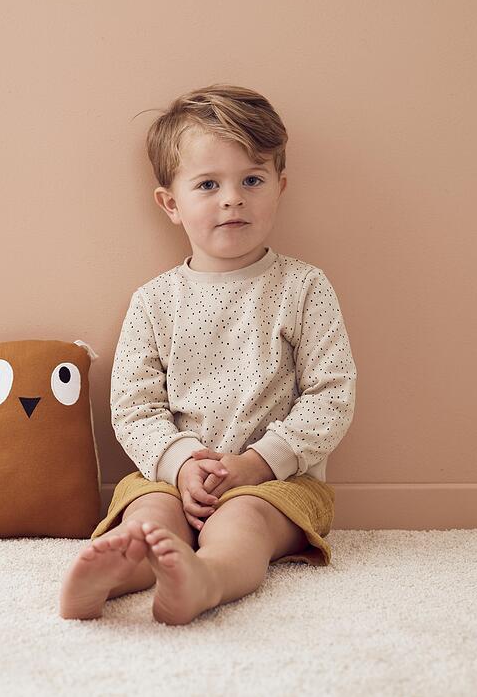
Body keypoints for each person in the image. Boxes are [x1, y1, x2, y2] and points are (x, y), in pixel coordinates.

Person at [59, 84, 357, 625]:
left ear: (279, 187)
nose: (232, 198)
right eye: (208, 184)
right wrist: (181, 466)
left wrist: (258, 464)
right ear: (171, 204)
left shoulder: (303, 288)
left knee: (243, 524)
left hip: (278, 483)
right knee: (147, 514)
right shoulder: (154, 302)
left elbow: (330, 395)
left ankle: (207, 579)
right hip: (171, 477)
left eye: (252, 180)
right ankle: (120, 571)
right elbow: (134, 407)